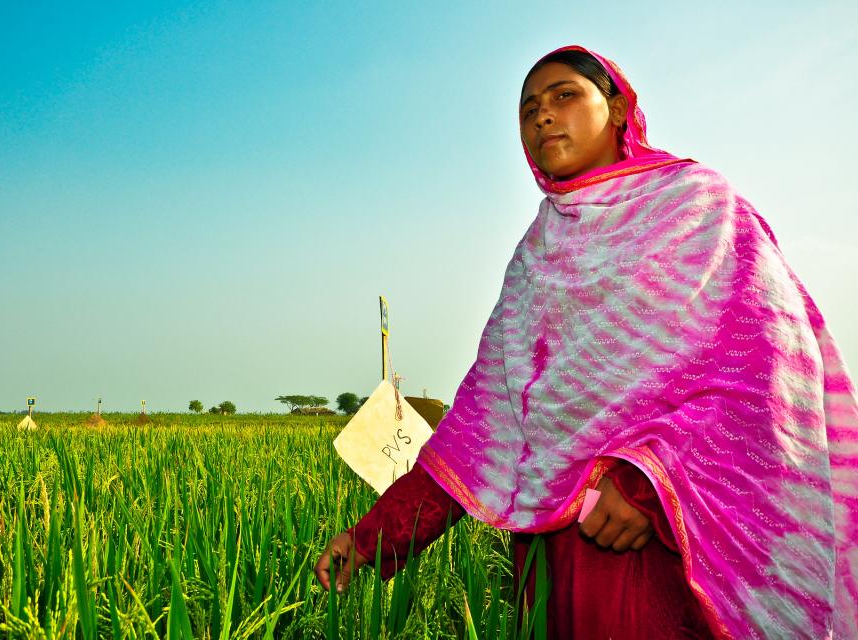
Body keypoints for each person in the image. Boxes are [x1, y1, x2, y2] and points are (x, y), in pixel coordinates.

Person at [314, 45, 858, 639]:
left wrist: (646, 486)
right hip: (552, 555)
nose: (543, 116)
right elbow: (482, 424)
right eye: (528, 110)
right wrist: (371, 538)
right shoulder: (535, 255)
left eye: (564, 96)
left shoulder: (700, 209)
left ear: (619, 109)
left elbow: (767, 372)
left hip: (663, 550)